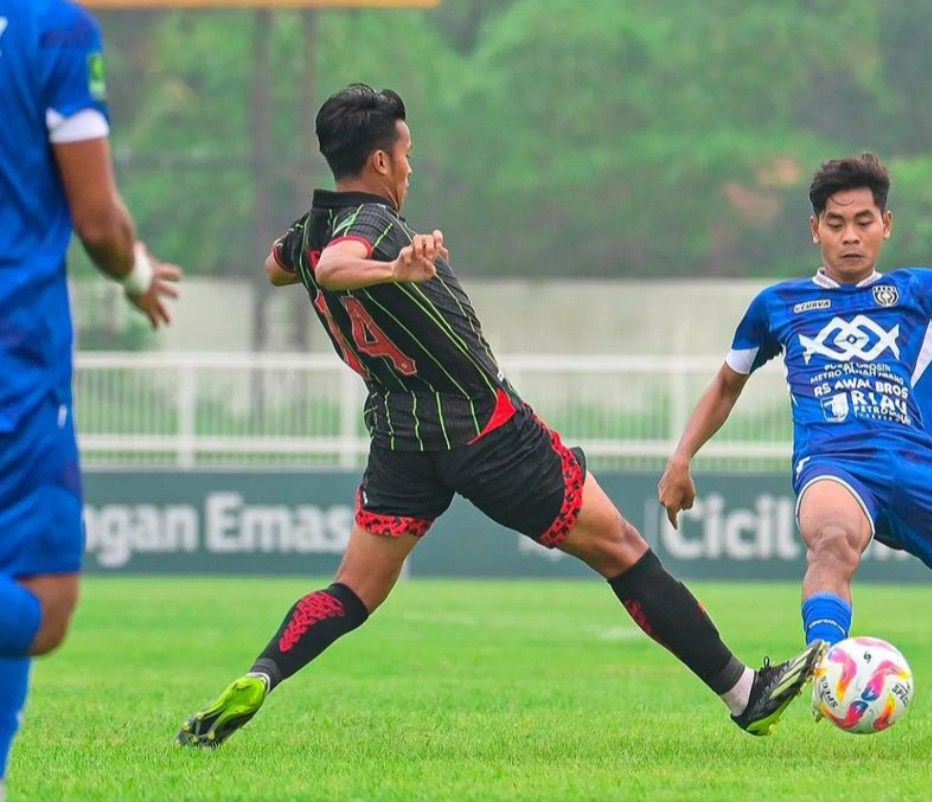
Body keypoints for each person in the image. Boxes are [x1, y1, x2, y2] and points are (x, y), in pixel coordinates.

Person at [176, 84, 820, 748]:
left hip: (402, 437)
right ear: (378, 161)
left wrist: (334, 268)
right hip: (486, 430)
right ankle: (746, 694)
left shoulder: (309, 229)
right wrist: (392, 270)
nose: (410, 167)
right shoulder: (368, 226)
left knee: (354, 590)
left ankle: (264, 672)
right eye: (406, 154)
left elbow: (280, 266)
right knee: (622, 551)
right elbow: (341, 264)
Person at [658, 146, 932, 750]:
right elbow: (727, 384)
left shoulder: (926, 293)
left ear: (886, 225)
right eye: (835, 224)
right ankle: (829, 665)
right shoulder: (777, 306)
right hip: (836, 464)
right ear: (815, 231)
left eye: (863, 222)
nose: (850, 236)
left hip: (922, 471)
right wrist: (681, 458)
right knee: (831, 543)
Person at [0, 0, 181, 795]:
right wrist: (137, 272)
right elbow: (99, 221)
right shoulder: (55, 30)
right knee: (44, 600)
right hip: (13, 349)